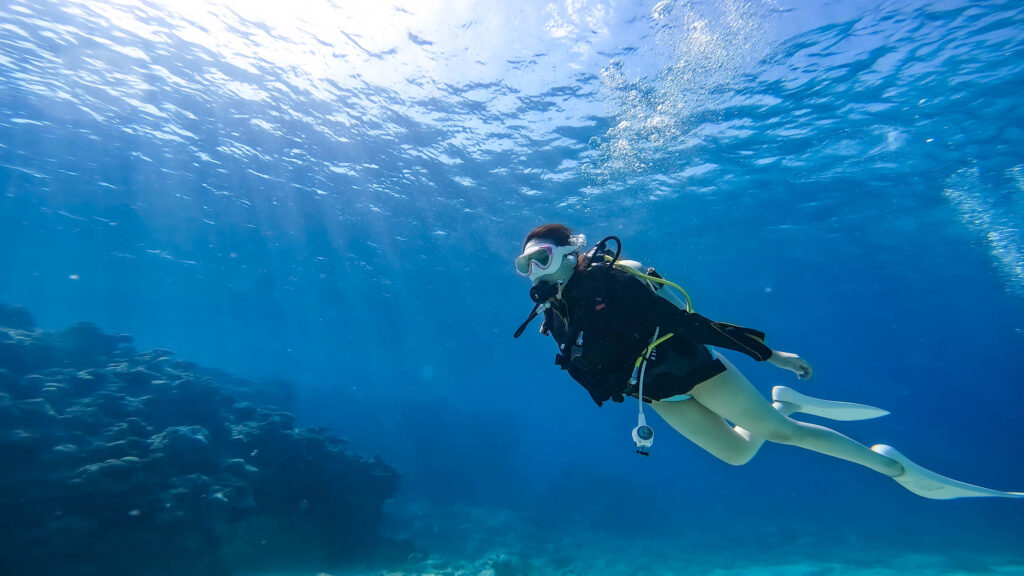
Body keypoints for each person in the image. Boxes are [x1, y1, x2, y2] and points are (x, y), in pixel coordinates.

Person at [513, 223, 1022, 500]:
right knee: (737, 455)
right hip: (657, 397)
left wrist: (771, 355)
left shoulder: (612, 283)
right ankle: (788, 406)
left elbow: (693, 323)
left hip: (693, 368)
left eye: (543, 257)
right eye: (526, 264)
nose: (535, 270)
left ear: (570, 251)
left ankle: (893, 467)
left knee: (781, 435)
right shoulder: (552, 312)